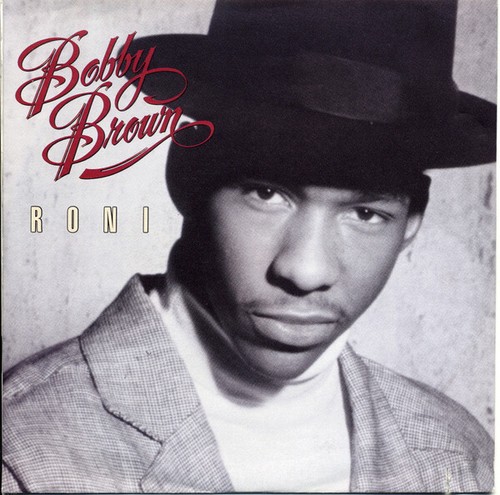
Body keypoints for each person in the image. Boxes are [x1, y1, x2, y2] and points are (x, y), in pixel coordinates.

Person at [2, 0, 495, 492]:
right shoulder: (23, 450)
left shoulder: (456, 455)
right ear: (187, 181)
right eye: (266, 194)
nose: (305, 271)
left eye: (366, 214)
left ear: (410, 225)